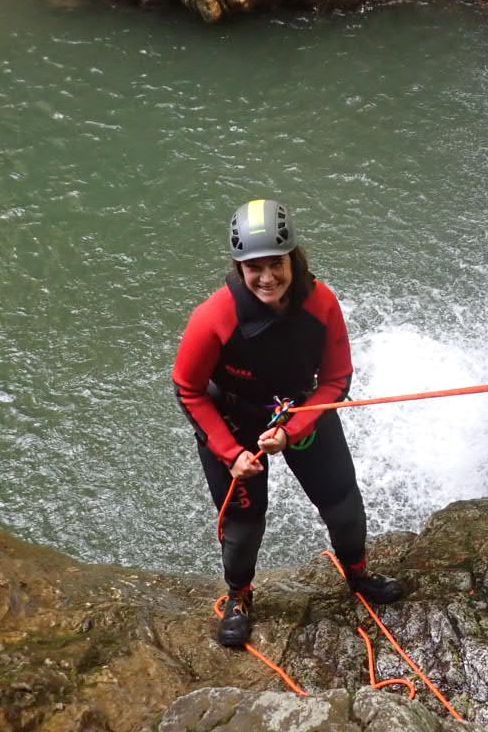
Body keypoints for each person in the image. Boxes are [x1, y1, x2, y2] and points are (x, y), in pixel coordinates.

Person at [172, 198, 404, 647]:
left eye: (276, 263)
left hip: (298, 410)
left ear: (293, 258)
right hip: (232, 420)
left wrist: (293, 430)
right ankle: (240, 596)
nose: (267, 277)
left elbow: (336, 379)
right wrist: (230, 454)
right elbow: (188, 389)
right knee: (243, 524)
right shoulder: (214, 317)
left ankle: (358, 575)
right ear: (239, 267)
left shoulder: (321, 303)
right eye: (253, 267)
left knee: (343, 504)